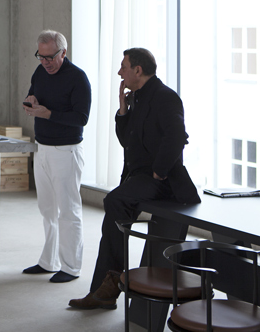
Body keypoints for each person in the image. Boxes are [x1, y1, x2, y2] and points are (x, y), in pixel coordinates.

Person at [68, 47, 200, 308]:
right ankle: (106, 287)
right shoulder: (137, 98)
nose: (120, 72)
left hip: (163, 181)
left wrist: (159, 171)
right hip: (139, 177)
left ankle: (109, 285)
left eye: (124, 67)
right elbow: (126, 141)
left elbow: (177, 136)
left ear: (138, 70)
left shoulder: (166, 97)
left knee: (115, 201)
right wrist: (123, 110)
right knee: (114, 210)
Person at [22, 30, 91, 283]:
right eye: (41, 57)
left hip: (66, 151)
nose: (46, 62)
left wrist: (48, 114)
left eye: (50, 57)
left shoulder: (78, 78)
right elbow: (33, 95)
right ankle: (49, 261)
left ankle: (71, 267)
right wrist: (30, 101)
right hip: (42, 148)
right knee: (47, 209)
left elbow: (81, 118)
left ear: (64, 52)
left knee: (68, 211)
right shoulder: (40, 72)